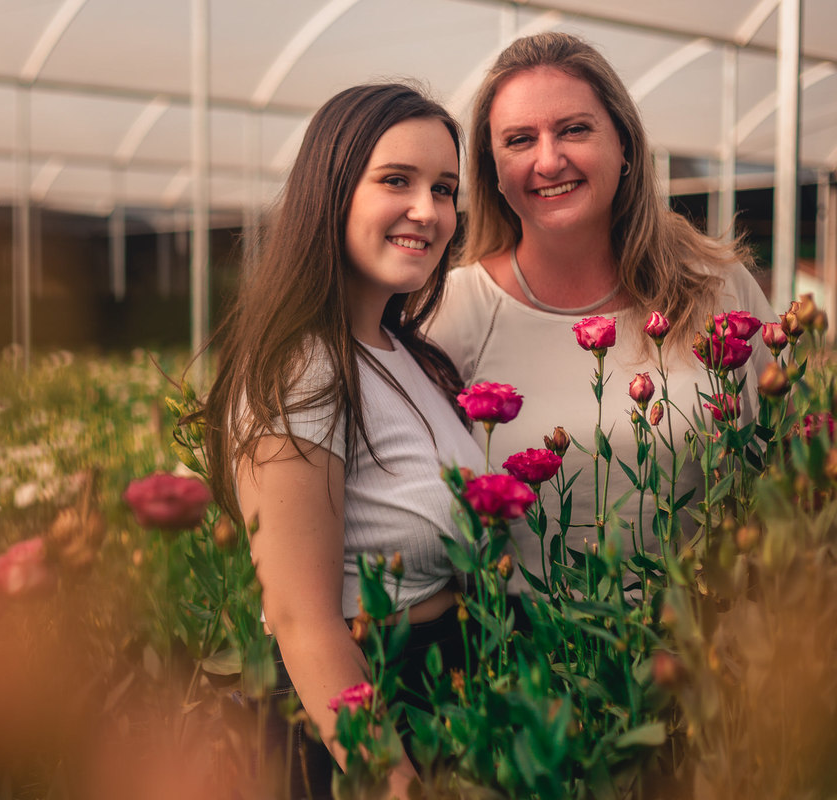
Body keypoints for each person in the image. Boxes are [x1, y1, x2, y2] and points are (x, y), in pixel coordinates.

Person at [200, 83, 483, 799]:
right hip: (356, 731)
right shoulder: (304, 365)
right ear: (331, 193)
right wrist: (392, 783)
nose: (429, 210)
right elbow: (300, 618)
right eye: (397, 181)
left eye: (445, 189)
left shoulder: (405, 354)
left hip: (433, 700)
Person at [425, 32, 775, 590]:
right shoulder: (454, 312)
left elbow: (786, 461)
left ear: (626, 145)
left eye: (574, 129)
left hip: (709, 646)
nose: (549, 159)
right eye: (519, 139)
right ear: (493, 171)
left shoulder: (718, 290)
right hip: (524, 656)